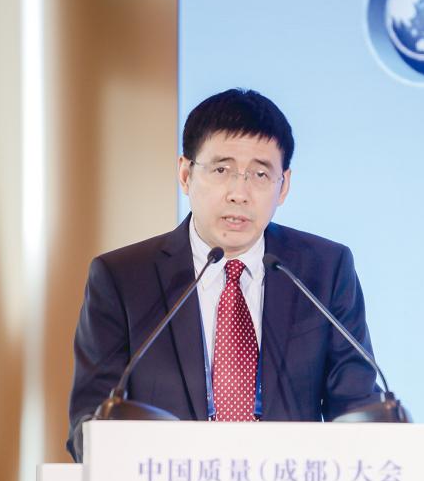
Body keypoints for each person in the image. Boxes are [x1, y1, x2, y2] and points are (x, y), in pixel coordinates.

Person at [67, 88, 377, 460]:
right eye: (221, 170)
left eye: (260, 174)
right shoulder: (122, 279)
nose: (239, 193)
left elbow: (356, 406)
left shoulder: (323, 270)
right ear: (185, 174)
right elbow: (89, 425)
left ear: (284, 186)